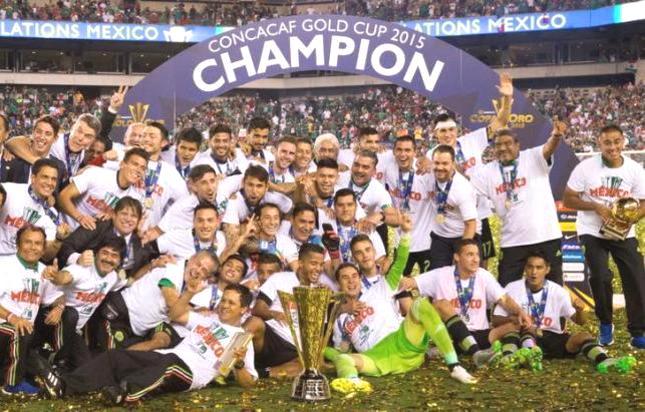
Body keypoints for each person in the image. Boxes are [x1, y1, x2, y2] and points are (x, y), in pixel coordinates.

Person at [41, 284, 257, 405]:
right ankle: (64, 386)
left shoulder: (240, 338)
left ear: (243, 310)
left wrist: (238, 365)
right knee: (116, 356)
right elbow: (177, 314)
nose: (225, 305)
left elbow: (249, 382)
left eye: (231, 302)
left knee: (170, 365)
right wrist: (189, 292)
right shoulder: (207, 320)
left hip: (190, 373)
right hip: (167, 356)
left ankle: (125, 392)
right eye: (224, 300)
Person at [563, 124, 645, 348]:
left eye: (617, 141)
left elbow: (643, 202)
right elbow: (569, 199)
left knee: (636, 277)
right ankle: (606, 323)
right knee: (600, 276)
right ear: (599, 143)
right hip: (592, 230)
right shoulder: (586, 168)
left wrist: (630, 219)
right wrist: (595, 207)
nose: (613, 147)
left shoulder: (634, 170)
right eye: (607, 142)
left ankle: (638, 332)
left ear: (623, 142)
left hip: (623, 232)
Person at [492, 252, 636, 373]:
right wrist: (513, 319)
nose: (534, 272)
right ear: (525, 269)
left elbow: (580, 321)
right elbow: (496, 320)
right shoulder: (513, 288)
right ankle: (519, 357)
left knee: (583, 336)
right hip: (525, 335)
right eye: (530, 267)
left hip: (552, 337)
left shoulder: (558, 291)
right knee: (523, 331)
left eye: (539, 267)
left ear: (547, 270)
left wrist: (581, 311)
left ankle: (605, 360)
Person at [400, 239, 533, 365]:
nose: (476, 259)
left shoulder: (483, 275)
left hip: (482, 335)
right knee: (441, 304)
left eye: (477, 255)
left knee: (517, 321)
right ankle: (475, 353)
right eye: (470, 254)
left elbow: (504, 299)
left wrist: (520, 312)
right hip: (451, 335)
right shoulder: (440, 275)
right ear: (457, 257)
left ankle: (510, 357)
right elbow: (408, 283)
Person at [470, 122, 567, 286]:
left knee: (554, 287)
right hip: (513, 241)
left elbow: (548, 148)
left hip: (546, 236)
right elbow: (466, 190)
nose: (502, 148)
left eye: (508, 143)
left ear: (517, 145)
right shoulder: (486, 172)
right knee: (506, 289)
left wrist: (556, 136)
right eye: (498, 145)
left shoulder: (532, 157)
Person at [94, 250, 219, 352]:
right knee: (110, 359)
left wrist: (194, 309)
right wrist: (193, 308)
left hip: (137, 329)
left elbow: (178, 306)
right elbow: (173, 305)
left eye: (204, 270)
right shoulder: (173, 269)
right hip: (119, 314)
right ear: (191, 258)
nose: (198, 270)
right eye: (198, 264)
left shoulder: (190, 284)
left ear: (206, 278)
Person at [39, 236, 127, 371]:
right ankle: (55, 360)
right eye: (105, 253)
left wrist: (151, 266)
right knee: (71, 314)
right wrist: (55, 276)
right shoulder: (82, 269)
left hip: (72, 332)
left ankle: (52, 360)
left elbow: (124, 281)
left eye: (114, 256)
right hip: (51, 320)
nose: (108, 259)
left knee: (85, 366)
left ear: (119, 261)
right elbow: (64, 277)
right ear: (95, 253)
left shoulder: (113, 277)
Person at [244, 243, 326, 378]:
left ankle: (259, 373)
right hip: (270, 336)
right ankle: (224, 364)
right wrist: (275, 314)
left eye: (321, 264)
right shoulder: (280, 278)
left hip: (292, 348)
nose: (318, 268)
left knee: (307, 365)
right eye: (313, 263)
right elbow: (258, 308)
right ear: (301, 263)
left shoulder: (320, 292)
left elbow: (319, 332)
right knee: (254, 323)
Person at [0, 226, 62, 395]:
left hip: (23, 333)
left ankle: (58, 363)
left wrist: (59, 307)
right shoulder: (3, 265)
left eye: (38, 243)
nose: (33, 247)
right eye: (28, 242)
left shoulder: (44, 270)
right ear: (18, 244)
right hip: (6, 325)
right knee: (19, 330)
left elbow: (59, 296)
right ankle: (12, 385)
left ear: (43, 249)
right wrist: (12, 317)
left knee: (25, 331)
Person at [57, 196, 152, 277]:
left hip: (106, 294)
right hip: (75, 280)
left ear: (139, 221)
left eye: (133, 216)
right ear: (113, 215)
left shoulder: (141, 245)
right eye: (124, 213)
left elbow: (131, 277)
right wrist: (78, 259)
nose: (128, 219)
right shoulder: (97, 226)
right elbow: (66, 246)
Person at [57, 148, 148, 231]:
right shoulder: (96, 174)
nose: (138, 170)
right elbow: (63, 197)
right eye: (135, 164)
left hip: (89, 239)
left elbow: (132, 228)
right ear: (122, 164)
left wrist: (113, 217)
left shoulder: (136, 198)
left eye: (142, 168)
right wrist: (80, 217)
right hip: (63, 226)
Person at [382, 136, 433, 275]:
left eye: (407, 150)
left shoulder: (425, 172)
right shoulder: (388, 168)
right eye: (399, 150)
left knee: (430, 290)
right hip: (403, 241)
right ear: (393, 151)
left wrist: (432, 163)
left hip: (426, 243)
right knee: (396, 286)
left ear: (415, 152)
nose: (403, 154)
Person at [0, 158, 70, 260]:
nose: (49, 183)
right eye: (45, 177)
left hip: (16, 265)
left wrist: (58, 240)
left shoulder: (52, 215)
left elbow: (47, 256)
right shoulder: (10, 190)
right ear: (33, 178)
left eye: (54, 179)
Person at [427, 145, 478, 269]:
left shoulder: (462, 188)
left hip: (462, 236)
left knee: (463, 274)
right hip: (440, 237)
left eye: (445, 163)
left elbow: (471, 224)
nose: (440, 167)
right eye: (436, 163)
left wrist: (462, 251)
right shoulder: (427, 177)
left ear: (453, 164)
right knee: (438, 277)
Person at [0, 115, 68, 193]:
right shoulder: (14, 158)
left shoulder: (59, 166)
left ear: (55, 138)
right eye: (39, 132)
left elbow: (56, 196)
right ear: (32, 133)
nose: (42, 137)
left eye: (48, 134)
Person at [151, 202, 226, 260]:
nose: (205, 226)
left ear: (217, 222)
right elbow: (147, 250)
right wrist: (155, 264)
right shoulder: (177, 237)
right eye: (200, 220)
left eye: (210, 220)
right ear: (193, 222)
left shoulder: (224, 240)